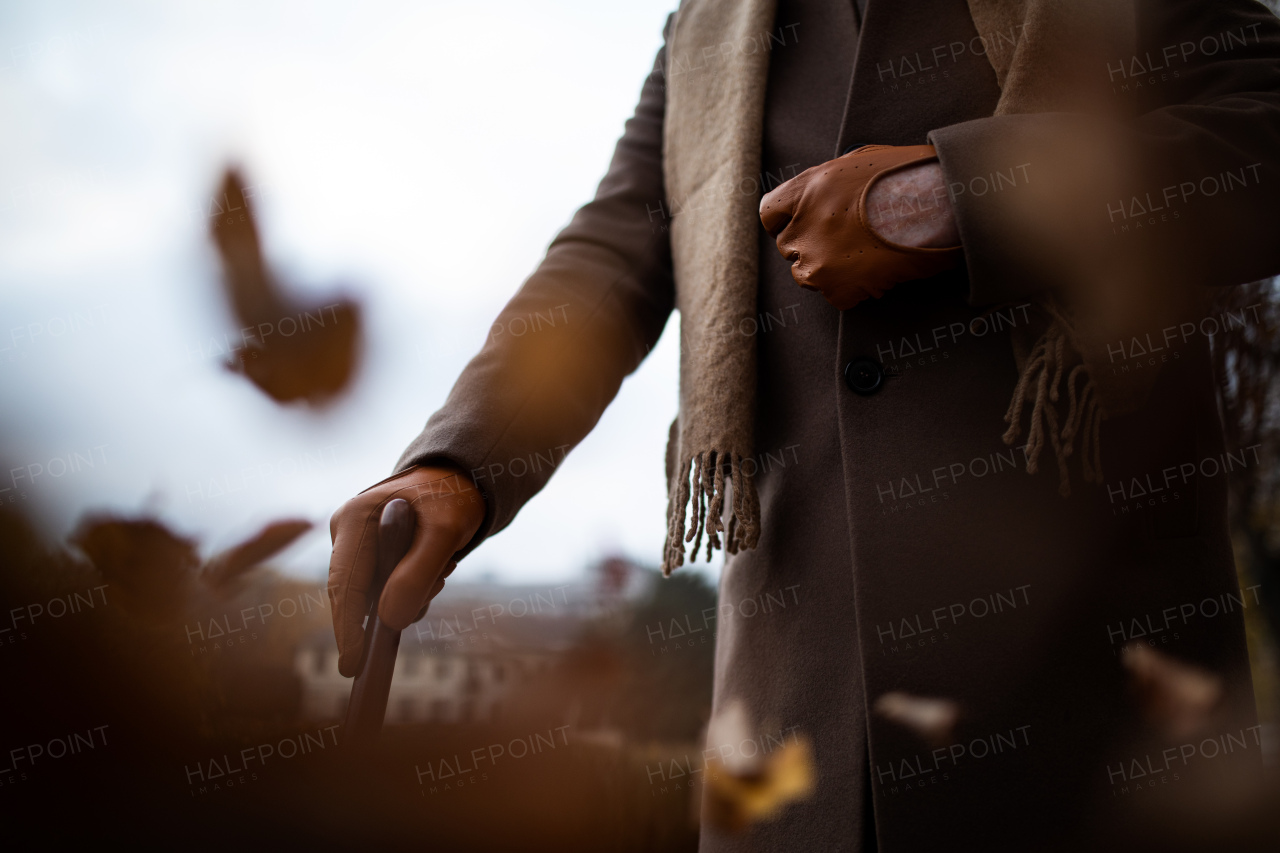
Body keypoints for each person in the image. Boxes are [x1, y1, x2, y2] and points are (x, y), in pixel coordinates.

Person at [329, 1, 1280, 849]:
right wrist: (458, 462)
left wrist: (955, 199)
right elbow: (614, 246)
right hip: (787, 740)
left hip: (1089, 714)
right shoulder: (704, 24)